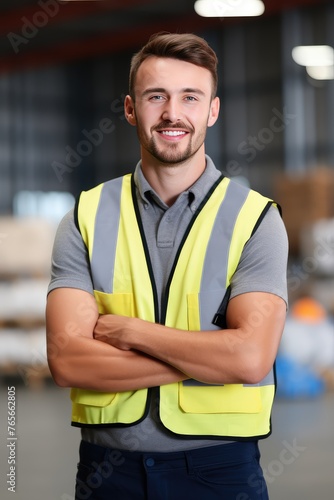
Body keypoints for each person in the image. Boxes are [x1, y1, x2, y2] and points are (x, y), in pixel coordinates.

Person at [46, 32, 288, 500]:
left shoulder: (256, 218)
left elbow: (250, 358)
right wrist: (211, 358)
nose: (172, 114)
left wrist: (132, 333)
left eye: (190, 98)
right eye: (156, 96)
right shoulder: (86, 215)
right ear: (131, 108)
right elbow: (67, 360)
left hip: (220, 471)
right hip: (105, 473)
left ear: (212, 111)